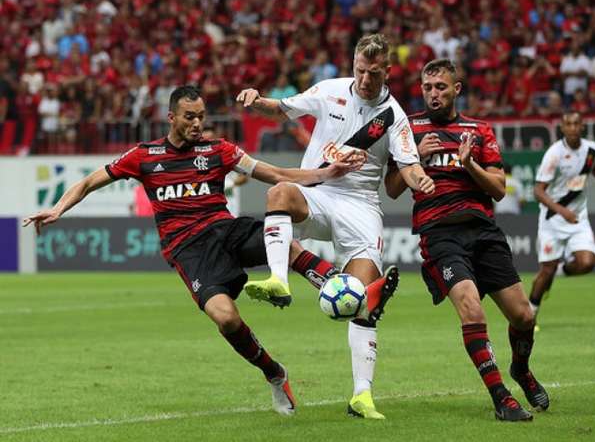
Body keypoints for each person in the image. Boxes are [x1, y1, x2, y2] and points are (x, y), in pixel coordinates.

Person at [22, 86, 367, 417]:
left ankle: (341, 286)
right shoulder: (145, 156)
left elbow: (276, 173)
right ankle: (275, 373)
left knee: (282, 241)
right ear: (171, 117)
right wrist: (58, 209)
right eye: (189, 117)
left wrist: (326, 173)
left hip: (225, 230)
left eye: (201, 116)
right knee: (227, 319)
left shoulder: (219, 150)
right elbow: (88, 181)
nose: (197, 124)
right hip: (188, 249)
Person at [236, 34, 435, 419]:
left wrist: (419, 179)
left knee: (361, 301)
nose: (364, 79)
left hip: (361, 208)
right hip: (320, 192)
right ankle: (278, 278)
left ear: (387, 72)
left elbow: (408, 165)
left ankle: (361, 395)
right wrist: (257, 101)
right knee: (279, 193)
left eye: (373, 74)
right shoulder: (330, 91)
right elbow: (282, 110)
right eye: (360, 70)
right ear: (353, 65)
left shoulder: (394, 116)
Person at [384, 59, 548, 422]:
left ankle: (520, 370)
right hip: (439, 233)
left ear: (457, 89)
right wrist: (418, 158)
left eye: (441, 87)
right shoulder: (409, 129)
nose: (433, 93)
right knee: (471, 307)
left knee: (523, 315)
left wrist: (469, 163)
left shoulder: (479, 130)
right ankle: (501, 397)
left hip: (482, 230)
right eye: (427, 87)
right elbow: (392, 189)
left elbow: (500, 190)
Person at [528, 111, 595, 318]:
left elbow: (594, 168)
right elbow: (538, 191)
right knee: (545, 272)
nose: (572, 128)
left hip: (578, 217)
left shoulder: (591, 149)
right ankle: (530, 316)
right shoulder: (554, 154)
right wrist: (562, 211)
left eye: (576, 124)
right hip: (552, 218)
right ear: (562, 128)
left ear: (582, 126)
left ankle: (559, 271)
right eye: (568, 124)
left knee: (587, 262)